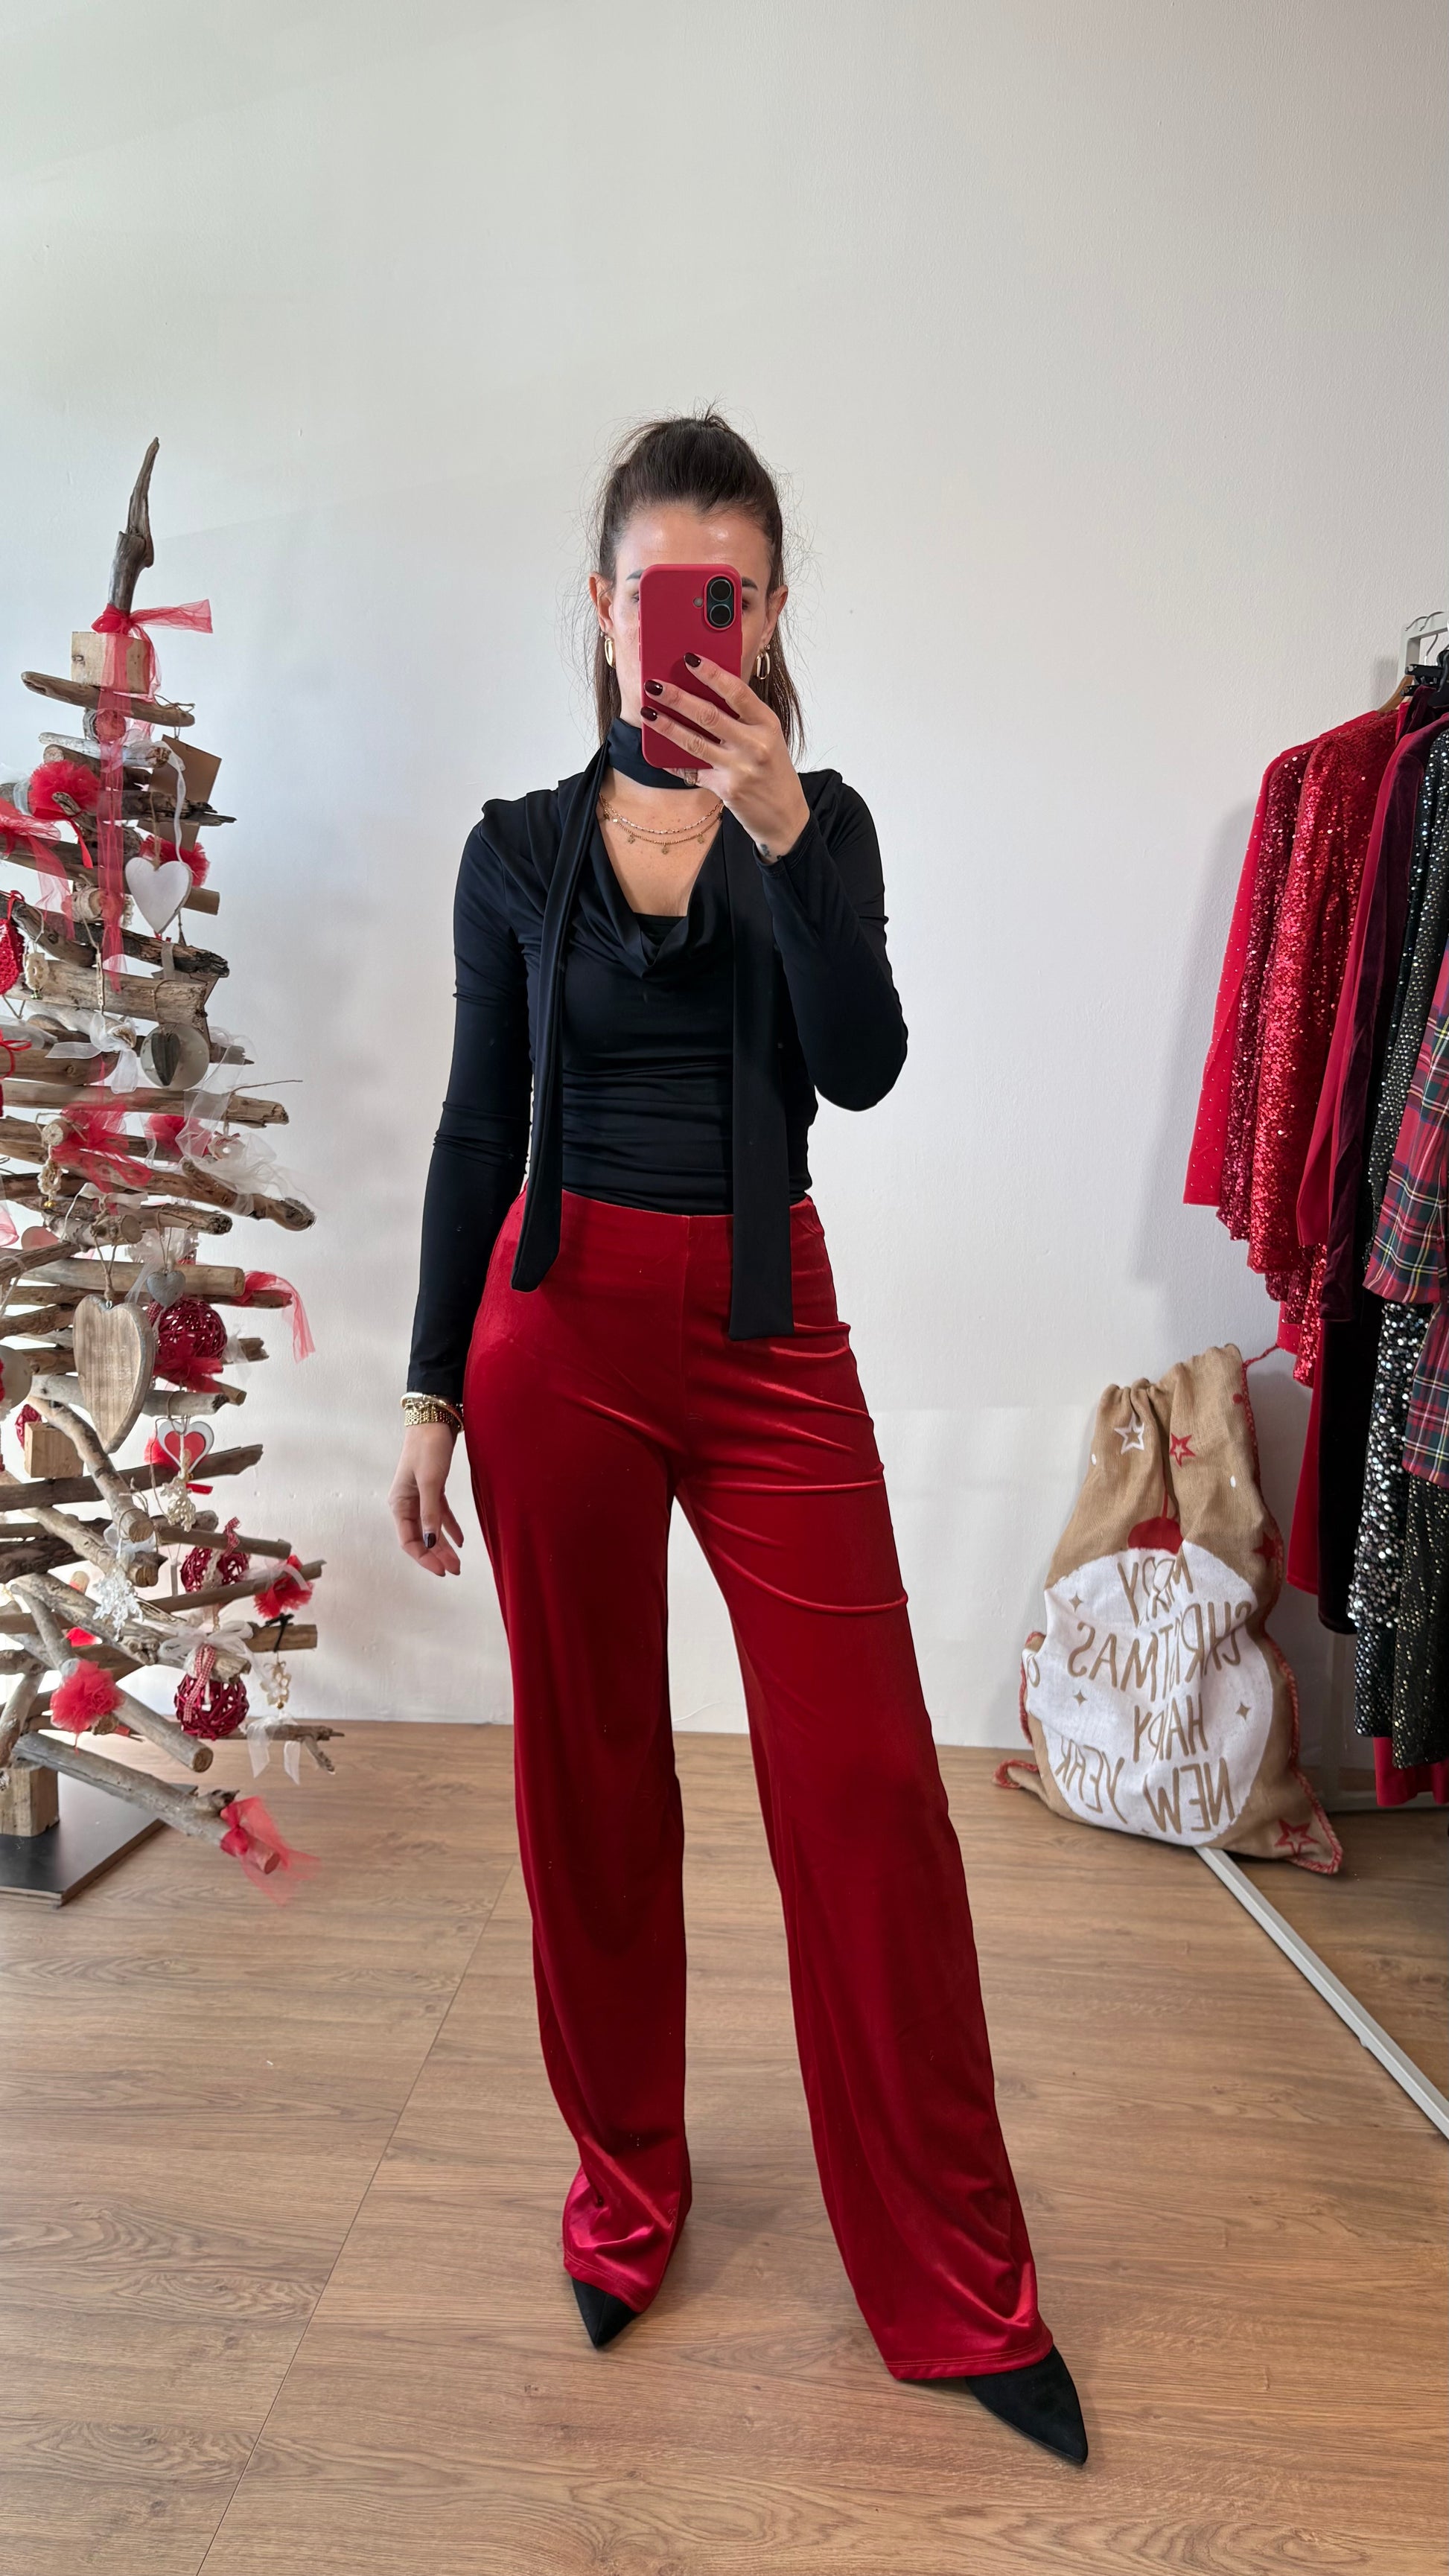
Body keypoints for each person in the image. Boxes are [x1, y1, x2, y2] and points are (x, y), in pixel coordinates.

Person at [389, 412, 1086, 2465]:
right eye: (655, 589)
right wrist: (429, 1390)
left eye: (733, 590)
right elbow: (471, 1127)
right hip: (554, 1331)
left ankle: (955, 2281)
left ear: (769, 616)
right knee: (588, 1784)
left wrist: (781, 838)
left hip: (770, 1328)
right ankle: (624, 2194)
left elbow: (860, 1072)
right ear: (604, 609)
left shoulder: (825, 824)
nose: (692, 622)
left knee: (866, 1785)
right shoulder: (516, 848)